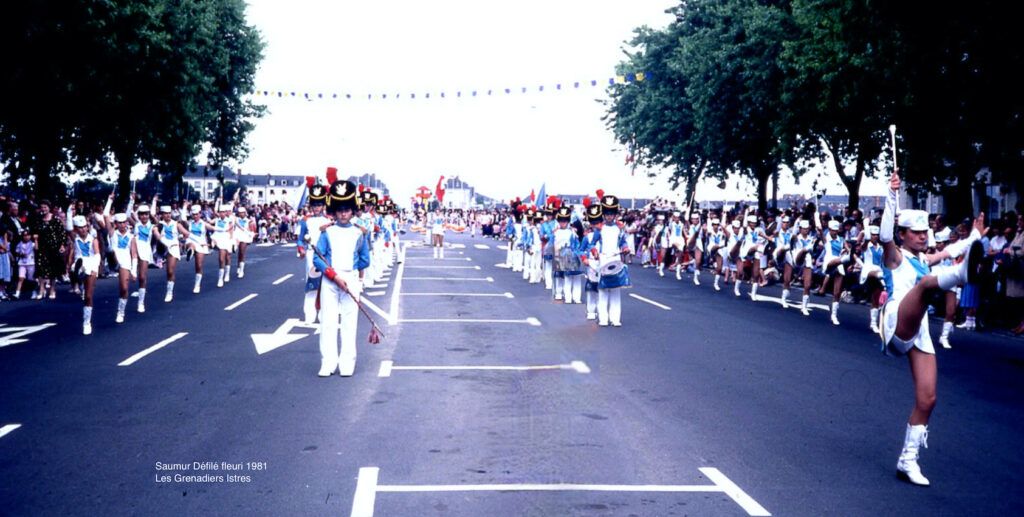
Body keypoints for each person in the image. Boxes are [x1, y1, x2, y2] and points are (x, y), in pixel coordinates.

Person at [878, 168, 985, 487]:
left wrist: (975, 237)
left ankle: (907, 461)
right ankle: (962, 276)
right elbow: (884, 235)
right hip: (897, 322)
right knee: (926, 284)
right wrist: (891, 194)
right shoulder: (894, 255)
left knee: (928, 398)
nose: (924, 236)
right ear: (903, 234)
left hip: (919, 328)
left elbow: (950, 250)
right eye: (916, 232)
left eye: (926, 232)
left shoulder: (924, 259)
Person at [312, 180, 370, 377]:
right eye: (340, 210)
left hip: (350, 279)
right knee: (327, 321)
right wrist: (334, 276)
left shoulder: (359, 233)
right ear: (334, 211)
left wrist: (352, 274)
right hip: (330, 279)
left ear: (353, 211)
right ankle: (328, 362)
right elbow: (317, 258)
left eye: (347, 209)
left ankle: (347, 362)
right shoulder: (326, 231)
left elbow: (365, 259)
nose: (343, 213)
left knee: (349, 321)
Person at [592, 192, 630, 327]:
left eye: (611, 214)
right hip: (603, 259)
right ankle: (603, 318)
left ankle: (615, 318)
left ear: (615, 214)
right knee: (603, 289)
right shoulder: (599, 229)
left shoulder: (619, 228)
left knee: (615, 290)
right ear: (603, 214)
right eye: (607, 214)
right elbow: (592, 244)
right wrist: (594, 251)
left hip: (616, 258)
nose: (609, 216)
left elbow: (623, 242)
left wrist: (625, 248)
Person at [297, 183, 331, 324]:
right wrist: (301, 248)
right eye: (314, 205)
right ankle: (309, 314)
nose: (316, 208)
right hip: (311, 254)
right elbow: (300, 239)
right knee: (311, 283)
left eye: (319, 205)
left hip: (325, 256)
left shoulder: (329, 221)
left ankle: (323, 313)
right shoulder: (305, 220)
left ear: (323, 205)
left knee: (326, 284)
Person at [70, 215, 102, 335]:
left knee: (89, 296)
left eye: (84, 227)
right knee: (78, 267)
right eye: (80, 228)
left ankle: (87, 322)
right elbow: (68, 228)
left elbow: (97, 254)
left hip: (91, 263)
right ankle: (79, 276)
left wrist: (95, 268)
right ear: (76, 229)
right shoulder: (75, 238)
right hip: (80, 261)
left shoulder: (93, 239)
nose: (83, 230)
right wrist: (69, 210)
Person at [129, 195, 157, 313]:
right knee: (136, 272)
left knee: (142, 277)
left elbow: (156, 219)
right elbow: (127, 215)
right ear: (139, 215)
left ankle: (141, 302)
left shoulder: (152, 226)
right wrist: (131, 200)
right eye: (142, 214)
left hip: (145, 250)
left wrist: (154, 202)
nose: (144, 216)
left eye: (146, 214)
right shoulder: (136, 224)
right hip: (135, 248)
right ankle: (133, 270)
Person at [234, 205, 256, 278]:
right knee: (239, 253)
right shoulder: (236, 219)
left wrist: (251, 234)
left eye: (242, 212)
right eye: (240, 213)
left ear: (245, 213)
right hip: (237, 236)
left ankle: (241, 270)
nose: (241, 214)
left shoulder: (249, 221)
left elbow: (251, 230)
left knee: (242, 252)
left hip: (244, 237)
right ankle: (238, 266)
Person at [13, 231, 36, 300]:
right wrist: (21, 254)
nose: (26, 237)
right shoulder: (20, 244)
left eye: (28, 235)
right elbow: (16, 252)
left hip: (31, 263)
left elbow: (37, 249)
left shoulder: (32, 244)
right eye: (24, 235)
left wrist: (36, 239)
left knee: (31, 279)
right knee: (21, 278)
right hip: (22, 263)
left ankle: (34, 292)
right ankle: (17, 293)